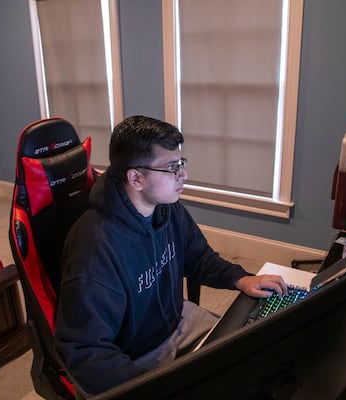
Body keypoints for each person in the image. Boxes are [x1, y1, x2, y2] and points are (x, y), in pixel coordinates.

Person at [54, 115, 287, 396]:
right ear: (136, 178)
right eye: (171, 168)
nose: (183, 175)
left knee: (249, 355)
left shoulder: (166, 208)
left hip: (177, 321)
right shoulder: (95, 249)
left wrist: (241, 278)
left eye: (182, 164)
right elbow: (85, 352)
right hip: (134, 357)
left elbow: (198, 257)